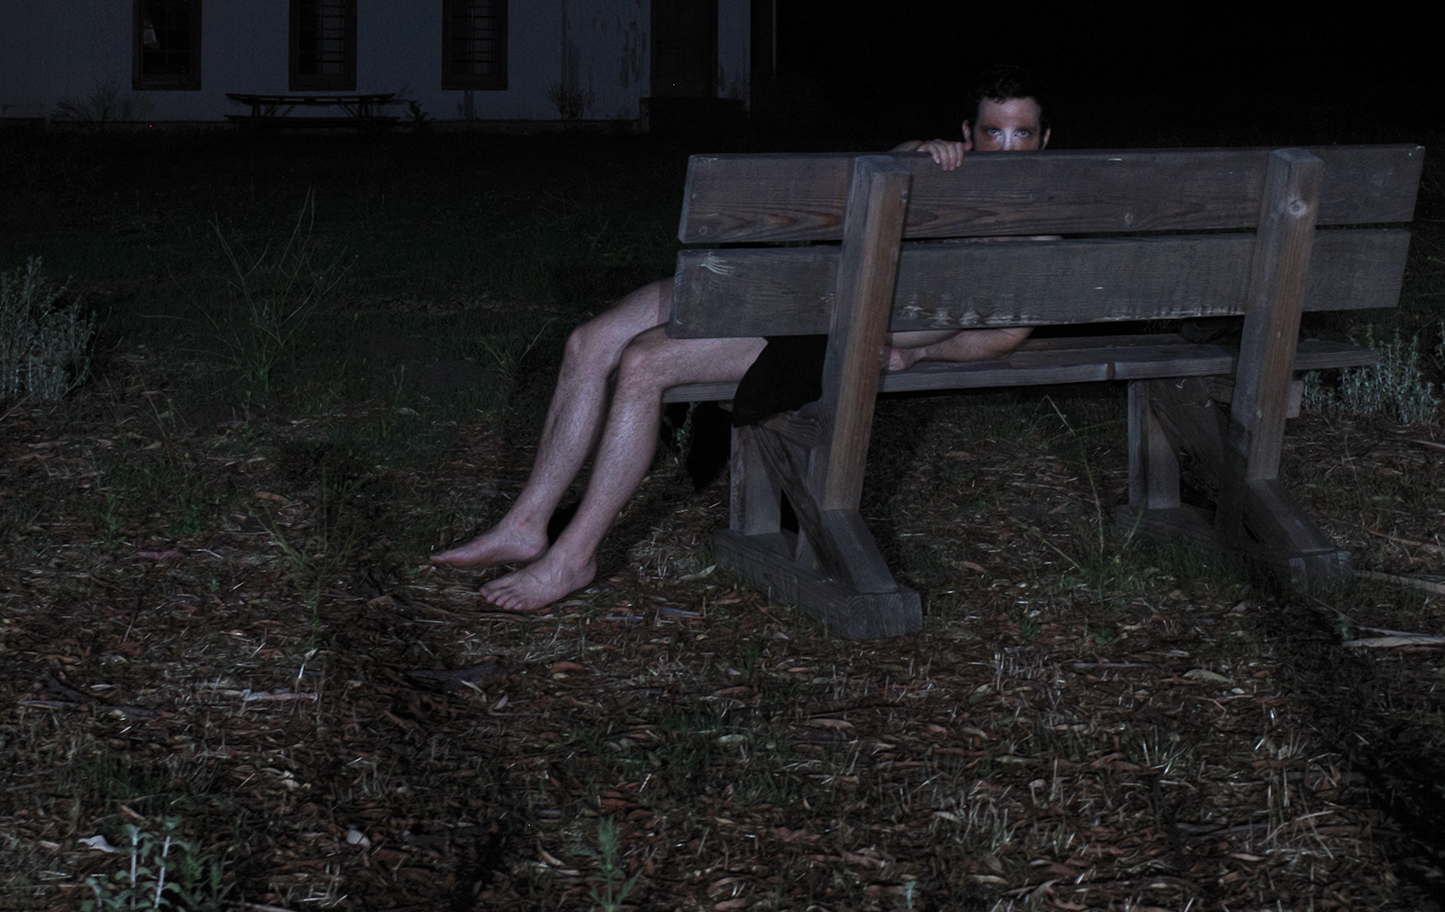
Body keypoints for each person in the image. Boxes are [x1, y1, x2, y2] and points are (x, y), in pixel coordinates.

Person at [429, 68, 1052, 612]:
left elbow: (1010, 332)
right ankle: (526, 523)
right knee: (589, 342)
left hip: (821, 336)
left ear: (1045, 140)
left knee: (645, 362)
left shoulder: (1038, 237)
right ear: (967, 135)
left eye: (1021, 133)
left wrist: (920, 349)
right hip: (787, 287)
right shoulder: (936, 173)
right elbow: (878, 171)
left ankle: (574, 557)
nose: (1006, 148)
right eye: (993, 132)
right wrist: (921, 150)